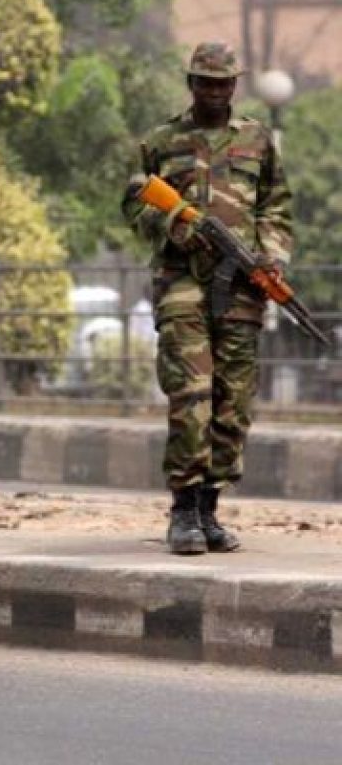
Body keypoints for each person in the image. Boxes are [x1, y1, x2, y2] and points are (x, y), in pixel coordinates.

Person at [122, 42, 292, 555]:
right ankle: (183, 510)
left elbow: (275, 208)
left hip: (241, 288)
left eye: (222, 83)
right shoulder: (161, 140)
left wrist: (270, 258)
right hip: (182, 287)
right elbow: (134, 204)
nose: (214, 91)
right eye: (204, 81)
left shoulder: (258, 141)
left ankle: (211, 509)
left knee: (232, 402)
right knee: (191, 396)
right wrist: (175, 224)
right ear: (190, 82)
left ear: (234, 86)